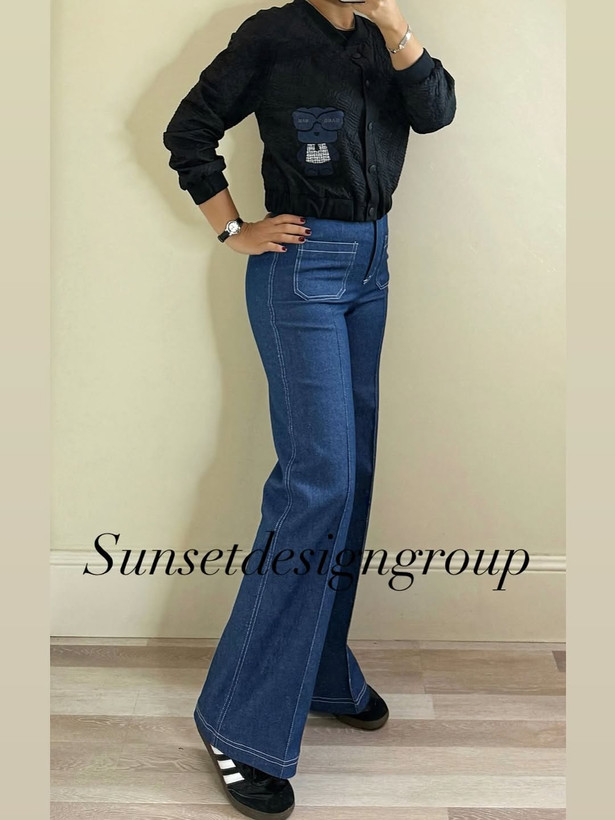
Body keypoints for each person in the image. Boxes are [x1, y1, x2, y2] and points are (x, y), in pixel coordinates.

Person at [162, 1, 456, 817]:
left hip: (371, 268)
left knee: (349, 475)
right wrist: (232, 229)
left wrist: (393, 24)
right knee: (315, 482)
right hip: (301, 270)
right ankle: (234, 721)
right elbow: (188, 132)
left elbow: (435, 112)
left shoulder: (385, 36)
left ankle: (322, 669)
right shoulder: (272, 34)